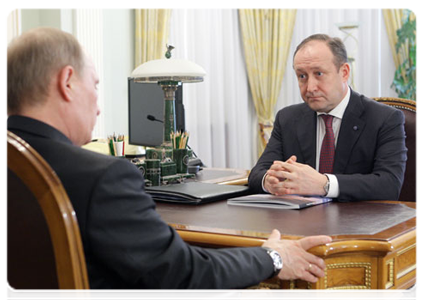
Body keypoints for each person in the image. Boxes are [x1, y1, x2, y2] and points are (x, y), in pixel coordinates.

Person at [5, 27, 332, 300]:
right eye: (95, 86)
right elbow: (182, 274)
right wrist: (273, 256)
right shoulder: (101, 178)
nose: (99, 107)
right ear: (67, 82)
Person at [248, 34, 407, 202]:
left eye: (319, 73)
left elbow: (389, 185)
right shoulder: (287, 118)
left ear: (344, 72)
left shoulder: (385, 119)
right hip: (300, 222)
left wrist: (324, 184)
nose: (310, 87)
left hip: (358, 222)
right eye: (302, 76)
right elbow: (257, 174)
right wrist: (269, 181)